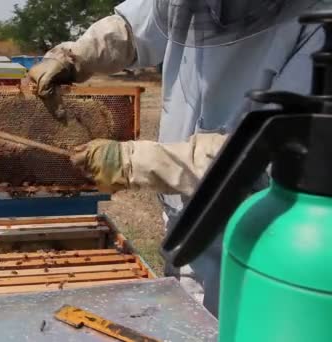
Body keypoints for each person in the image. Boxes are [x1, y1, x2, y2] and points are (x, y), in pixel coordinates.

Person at [28, 0, 326, 316]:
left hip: (245, 227)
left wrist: (137, 162)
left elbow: (269, 147)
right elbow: (132, 30)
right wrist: (76, 56)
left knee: (215, 323)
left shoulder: (317, 24)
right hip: (180, 214)